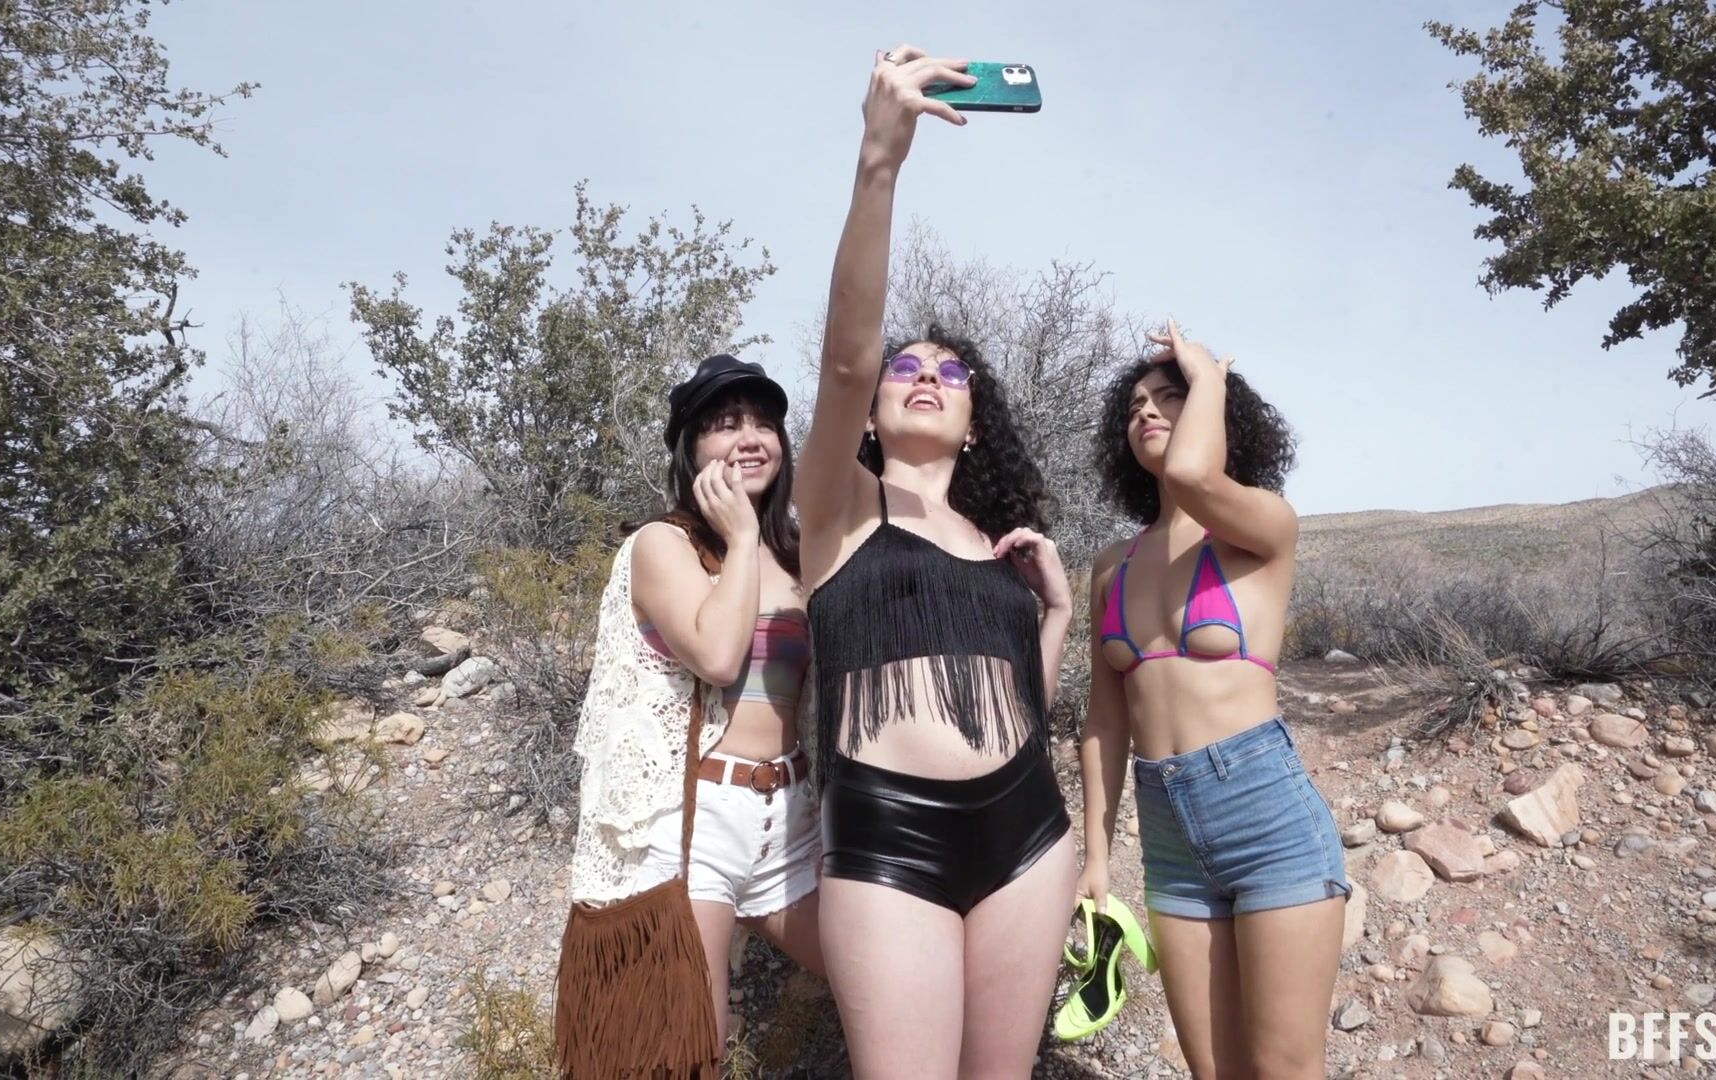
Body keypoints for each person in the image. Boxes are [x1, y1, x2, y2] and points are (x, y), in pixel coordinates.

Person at [792, 43, 1079, 1079]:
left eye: (951, 375)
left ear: (974, 424)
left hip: (1029, 828)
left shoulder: (997, 548)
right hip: (887, 831)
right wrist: (880, 161)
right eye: (905, 369)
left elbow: (1018, 708)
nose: (925, 376)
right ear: (870, 417)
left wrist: (1053, 617)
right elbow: (843, 358)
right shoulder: (838, 510)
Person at [1078, 321, 1348, 1079]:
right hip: (1167, 836)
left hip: (1266, 817)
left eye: (1170, 396)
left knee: (1283, 1067)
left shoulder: (1262, 527)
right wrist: (1097, 858)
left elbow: (1196, 476)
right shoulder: (1112, 565)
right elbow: (1104, 721)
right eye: (1135, 404)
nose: (1146, 410)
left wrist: (1209, 373)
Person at [569, 354, 824, 1050]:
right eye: (725, 424)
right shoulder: (663, 545)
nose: (750, 438)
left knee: (881, 980)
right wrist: (740, 537)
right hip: (695, 822)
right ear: (691, 449)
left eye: (764, 424)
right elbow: (716, 655)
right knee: (690, 1043)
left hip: (792, 818)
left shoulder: (799, 553)